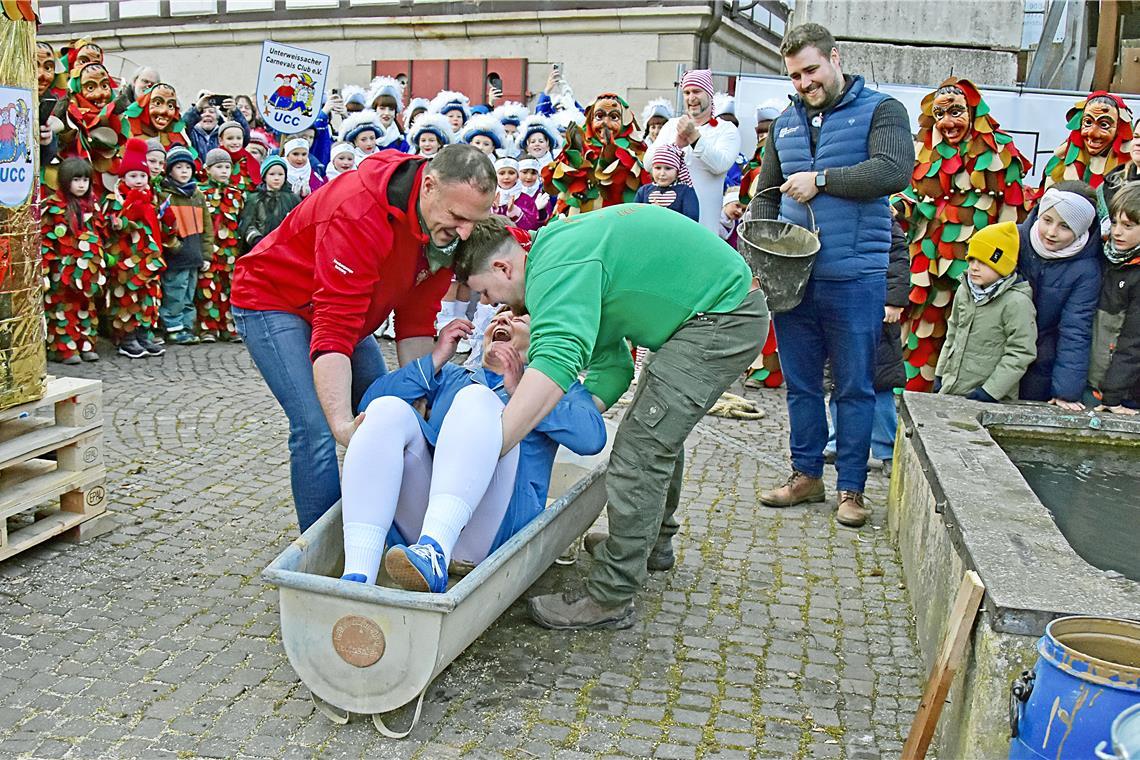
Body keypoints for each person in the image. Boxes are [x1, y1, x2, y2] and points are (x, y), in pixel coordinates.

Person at [454, 205, 768, 629]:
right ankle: (649, 544)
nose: (490, 306)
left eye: (486, 292)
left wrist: (495, 445)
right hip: (708, 313)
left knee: (640, 452)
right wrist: (577, 419)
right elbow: (614, 365)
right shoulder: (561, 261)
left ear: (503, 266)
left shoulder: (556, 269)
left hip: (722, 317)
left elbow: (556, 359)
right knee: (653, 433)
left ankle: (610, 596)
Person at [230, 145, 497, 532]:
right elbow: (333, 329)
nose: (464, 232)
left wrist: (419, 400)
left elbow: (416, 323)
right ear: (429, 186)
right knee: (317, 428)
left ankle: (394, 526)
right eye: (457, 217)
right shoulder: (357, 210)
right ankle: (321, 551)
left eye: (474, 220)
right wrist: (342, 426)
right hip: (274, 301)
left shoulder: (443, 229)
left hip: (345, 314)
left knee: (392, 410)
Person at [750, 24, 912, 527]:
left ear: (835, 58)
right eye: (795, 75)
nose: (804, 83)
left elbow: (893, 171)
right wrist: (757, 250)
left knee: (855, 386)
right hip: (795, 279)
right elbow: (768, 192)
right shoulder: (785, 124)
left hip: (856, 274)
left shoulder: (882, 111)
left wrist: (822, 180)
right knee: (799, 384)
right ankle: (806, 475)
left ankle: (852, 489)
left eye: (811, 70)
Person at [340, 308, 607, 590]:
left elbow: (592, 438)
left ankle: (435, 549)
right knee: (386, 409)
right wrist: (436, 358)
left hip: (493, 533)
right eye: (497, 317)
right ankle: (358, 576)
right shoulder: (454, 376)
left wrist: (522, 394)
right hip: (418, 532)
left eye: (517, 318)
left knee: (477, 399)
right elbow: (369, 404)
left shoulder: (551, 388)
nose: (503, 319)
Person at [894, 77, 1033, 392]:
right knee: (920, 338)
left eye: (956, 112)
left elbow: (1012, 216)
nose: (947, 122)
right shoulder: (922, 151)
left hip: (977, 269)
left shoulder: (1000, 152)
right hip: (925, 266)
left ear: (973, 113)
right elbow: (908, 198)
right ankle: (908, 404)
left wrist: (1003, 265)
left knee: (968, 338)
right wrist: (898, 209)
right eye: (940, 114)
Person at [825, 218, 909, 473]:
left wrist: (894, 301)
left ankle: (887, 450)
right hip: (840, 311)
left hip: (877, 314)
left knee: (880, 388)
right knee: (840, 386)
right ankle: (838, 442)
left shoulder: (885, 221)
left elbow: (898, 263)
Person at [1017, 183, 1103, 409]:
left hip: (1042, 360)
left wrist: (1066, 391)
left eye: (1065, 226)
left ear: (1081, 229)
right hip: (999, 352)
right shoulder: (1014, 240)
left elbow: (1075, 328)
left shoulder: (1086, 269)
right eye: (1047, 220)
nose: (1052, 232)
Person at [936, 221, 1037, 401]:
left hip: (991, 399)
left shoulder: (1016, 302)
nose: (974, 267)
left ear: (1002, 264)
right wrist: (940, 374)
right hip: (952, 389)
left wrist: (990, 391)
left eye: (984, 262)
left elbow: (1021, 352)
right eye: (972, 259)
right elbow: (952, 334)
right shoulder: (964, 291)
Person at [646, 70, 741, 233]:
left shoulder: (726, 129)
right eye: (687, 92)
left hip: (703, 228)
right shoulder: (671, 126)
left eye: (697, 91)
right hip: (666, 226)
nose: (691, 98)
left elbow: (720, 165)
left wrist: (694, 137)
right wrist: (676, 145)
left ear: (709, 94)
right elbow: (648, 164)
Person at [103, 138, 170, 359]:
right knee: (127, 297)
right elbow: (112, 225)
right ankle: (127, 338)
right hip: (126, 259)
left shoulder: (150, 199)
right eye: (133, 176)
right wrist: (124, 217)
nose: (139, 180)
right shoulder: (115, 199)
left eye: (142, 176)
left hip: (148, 260)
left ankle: (143, 334)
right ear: (123, 178)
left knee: (148, 298)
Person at [41, 157, 107, 364]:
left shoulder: (92, 206)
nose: (81, 185)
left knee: (86, 307)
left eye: (85, 180)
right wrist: (45, 270)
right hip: (62, 269)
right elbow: (45, 240)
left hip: (88, 269)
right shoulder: (53, 207)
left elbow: (100, 233)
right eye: (76, 180)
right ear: (65, 180)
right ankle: (65, 348)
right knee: (62, 308)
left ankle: (85, 343)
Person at [543, 93, 650, 215]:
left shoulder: (636, 150)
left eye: (614, 117)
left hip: (617, 221)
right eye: (599, 116)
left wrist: (614, 154)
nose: (606, 123)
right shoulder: (579, 144)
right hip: (577, 221)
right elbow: (555, 184)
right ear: (591, 119)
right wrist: (573, 157)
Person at [1089, 183, 1140, 414]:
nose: (1117, 232)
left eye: (1128, 226)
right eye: (1115, 222)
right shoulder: (1103, 256)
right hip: (1091, 379)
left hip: (1122, 394)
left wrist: (1113, 396)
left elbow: (1133, 341)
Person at [159, 145, 215, 345]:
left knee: (189, 292)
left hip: (194, 254)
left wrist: (206, 254)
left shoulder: (197, 195)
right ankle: (173, 327)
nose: (184, 171)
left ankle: (186, 326)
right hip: (177, 255)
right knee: (175, 291)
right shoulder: (167, 195)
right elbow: (164, 227)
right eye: (179, 167)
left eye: (187, 167)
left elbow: (207, 228)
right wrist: (174, 245)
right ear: (170, 170)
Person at [1043, 92, 1134, 191]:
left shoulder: (1133, 167)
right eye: (1088, 122)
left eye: (1104, 125)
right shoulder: (1059, 164)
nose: (1092, 133)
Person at [199, 148, 244, 343]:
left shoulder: (236, 194)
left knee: (229, 287)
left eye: (227, 167)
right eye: (219, 167)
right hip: (209, 248)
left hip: (230, 250)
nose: (224, 171)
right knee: (208, 287)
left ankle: (228, 326)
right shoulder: (201, 193)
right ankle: (208, 326)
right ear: (208, 169)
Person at [236, 155, 300, 253]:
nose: (276, 178)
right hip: (258, 249)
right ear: (264, 176)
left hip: (284, 250)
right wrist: (257, 239)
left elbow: (297, 224)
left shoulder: (293, 199)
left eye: (280, 174)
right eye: (272, 174)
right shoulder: (254, 199)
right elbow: (248, 224)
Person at [633, 143, 699, 222]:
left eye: (668, 168)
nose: (662, 173)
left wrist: (663, 214)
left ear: (677, 171)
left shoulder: (685, 191)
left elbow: (692, 219)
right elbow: (635, 216)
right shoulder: (643, 191)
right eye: (658, 168)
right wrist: (649, 212)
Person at [185, 92, 250, 161]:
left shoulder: (224, 134)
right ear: (197, 117)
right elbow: (183, 126)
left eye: (211, 111)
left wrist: (235, 112)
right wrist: (197, 108)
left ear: (217, 118)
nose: (207, 114)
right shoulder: (191, 134)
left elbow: (245, 137)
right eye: (203, 112)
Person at [217, 119, 262, 195]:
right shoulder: (215, 158)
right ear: (221, 140)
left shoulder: (249, 159)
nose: (235, 142)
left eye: (238, 138)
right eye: (230, 138)